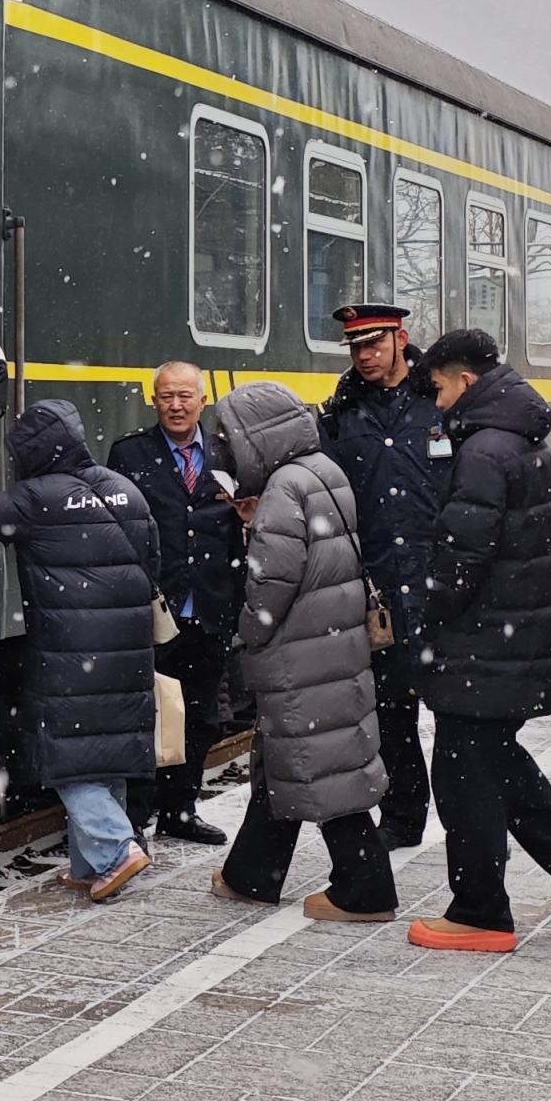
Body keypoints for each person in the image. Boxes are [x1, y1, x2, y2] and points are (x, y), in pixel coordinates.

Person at [407, 328, 551, 953]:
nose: (437, 402)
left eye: (440, 388)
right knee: (492, 760)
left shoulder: (482, 450)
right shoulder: (524, 441)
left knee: (464, 778)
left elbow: (461, 558)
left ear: (466, 381)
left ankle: (480, 912)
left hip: (480, 642)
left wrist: (425, 613)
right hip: (510, 639)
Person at [0, 399, 163, 901]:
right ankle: (88, 866)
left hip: (69, 650)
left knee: (66, 756)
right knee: (106, 754)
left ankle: (117, 849)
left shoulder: (38, 497)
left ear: (34, 453)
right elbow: (154, 563)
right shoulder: (126, 490)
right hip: (128, 647)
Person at [206, 382, 398, 920]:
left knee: (319, 766)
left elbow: (271, 586)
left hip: (301, 655)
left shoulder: (282, 490)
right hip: (331, 644)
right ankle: (252, 875)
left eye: (231, 437)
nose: (226, 448)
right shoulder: (321, 471)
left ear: (256, 438)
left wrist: (247, 630)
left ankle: (366, 889)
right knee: (286, 762)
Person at [318, 303, 443, 846]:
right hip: (379, 587)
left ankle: (469, 819)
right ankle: (402, 817)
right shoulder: (342, 414)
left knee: (457, 710)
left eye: (374, 343)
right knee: (391, 711)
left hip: (439, 581)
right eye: (356, 347)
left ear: (401, 338)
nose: (364, 356)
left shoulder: (437, 401)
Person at [108, 361, 243, 848]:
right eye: (167, 396)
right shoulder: (129, 454)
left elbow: (240, 528)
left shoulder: (228, 454)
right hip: (153, 610)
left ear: (203, 400)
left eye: (186, 396)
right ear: (154, 400)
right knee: (147, 714)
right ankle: (135, 819)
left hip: (210, 605)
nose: (176, 405)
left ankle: (180, 810)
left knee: (200, 716)